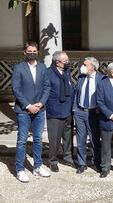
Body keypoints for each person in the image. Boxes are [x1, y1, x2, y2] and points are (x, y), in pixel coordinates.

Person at [12, 41, 51, 182]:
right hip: (24, 110)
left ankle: (38, 166)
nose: (32, 53)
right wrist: (28, 105)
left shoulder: (42, 67)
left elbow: (47, 87)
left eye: (34, 51)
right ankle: (20, 169)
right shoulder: (18, 68)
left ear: (38, 52)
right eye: (29, 51)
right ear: (25, 52)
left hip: (40, 109)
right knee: (22, 140)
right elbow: (16, 89)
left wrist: (40, 103)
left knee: (38, 139)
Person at [73, 57, 104, 174]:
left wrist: (100, 108)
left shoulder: (101, 79)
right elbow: (76, 93)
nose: (82, 66)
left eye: (85, 64)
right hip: (80, 112)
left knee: (94, 139)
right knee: (80, 139)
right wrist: (75, 108)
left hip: (93, 113)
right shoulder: (81, 77)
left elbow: (104, 96)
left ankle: (96, 162)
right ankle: (82, 163)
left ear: (93, 67)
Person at [46, 51, 75, 172]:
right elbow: (45, 91)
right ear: (57, 62)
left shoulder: (66, 72)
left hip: (68, 110)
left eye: (68, 60)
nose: (68, 63)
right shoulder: (48, 73)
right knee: (54, 138)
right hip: (55, 110)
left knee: (68, 136)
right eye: (65, 61)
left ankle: (68, 157)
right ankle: (53, 160)